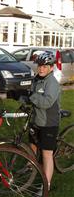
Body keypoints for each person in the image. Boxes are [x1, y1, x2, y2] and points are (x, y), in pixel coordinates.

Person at [25, 52, 61, 192]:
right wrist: (19, 95)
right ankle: (30, 168)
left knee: (46, 154)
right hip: (36, 120)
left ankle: (46, 186)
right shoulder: (36, 79)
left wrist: (31, 96)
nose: (41, 69)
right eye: (40, 66)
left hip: (48, 123)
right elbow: (31, 98)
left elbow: (46, 102)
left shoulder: (52, 83)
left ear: (51, 68)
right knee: (32, 145)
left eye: (45, 66)